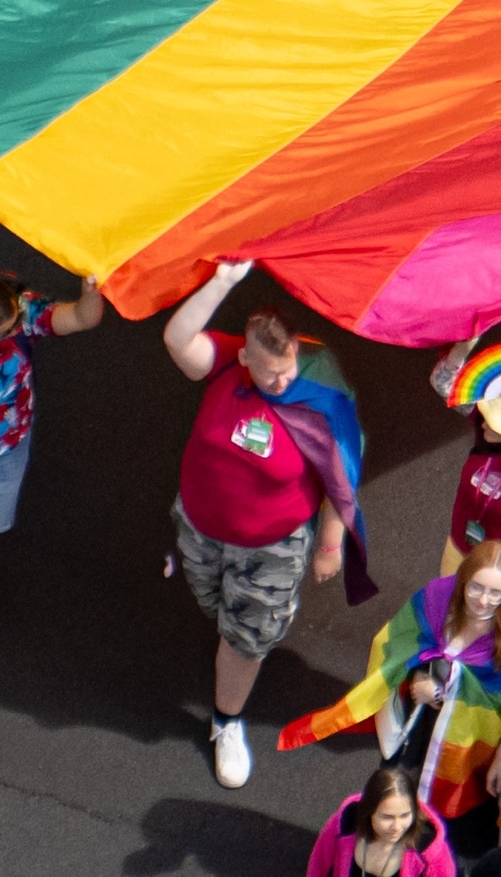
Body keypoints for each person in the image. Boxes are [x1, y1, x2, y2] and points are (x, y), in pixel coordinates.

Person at [157, 259, 361, 787]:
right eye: (270, 371)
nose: (282, 380)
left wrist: (330, 547)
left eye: (289, 367)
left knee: (246, 639)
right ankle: (236, 638)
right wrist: (222, 281)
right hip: (201, 528)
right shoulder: (228, 362)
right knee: (215, 609)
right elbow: (178, 338)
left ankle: (226, 722)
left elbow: (341, 475)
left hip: (270, 546)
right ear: (245, 356)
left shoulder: (317, 395)